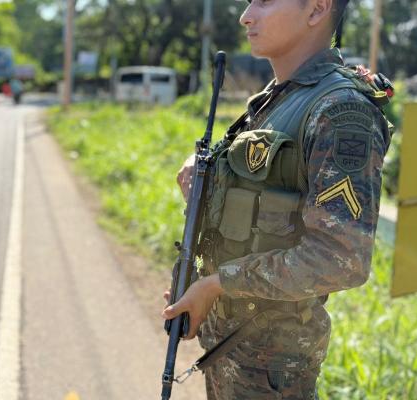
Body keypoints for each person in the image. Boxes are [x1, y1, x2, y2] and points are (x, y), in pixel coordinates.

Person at [161, 0, 393, 398]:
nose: (246, 15)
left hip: (272, 369)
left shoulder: (340, 111)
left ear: (317, 9)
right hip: (229, 349)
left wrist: (217, 285)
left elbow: (341, 260)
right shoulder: (278, 99)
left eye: (265, 2)